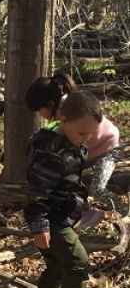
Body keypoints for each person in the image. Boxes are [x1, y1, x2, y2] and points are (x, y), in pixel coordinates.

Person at [24, 91, 103, 288]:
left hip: (62, 214)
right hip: (50, 218)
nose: (86, 139)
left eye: (90, 134)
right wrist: (39, 224)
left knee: (57, 265)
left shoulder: (72, 143)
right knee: (79, 264)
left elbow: (72, 178)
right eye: (82, 133)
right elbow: (37, 191)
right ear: (63, 119)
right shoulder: (51, 152)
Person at [26, 73, 119, 208]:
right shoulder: (65, 106)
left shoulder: (68, 111)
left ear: (50, 104)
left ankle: (120, 208)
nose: (40, 115)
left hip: (107, 147)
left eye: (39, 110)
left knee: (96, 190)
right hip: (91, 147)